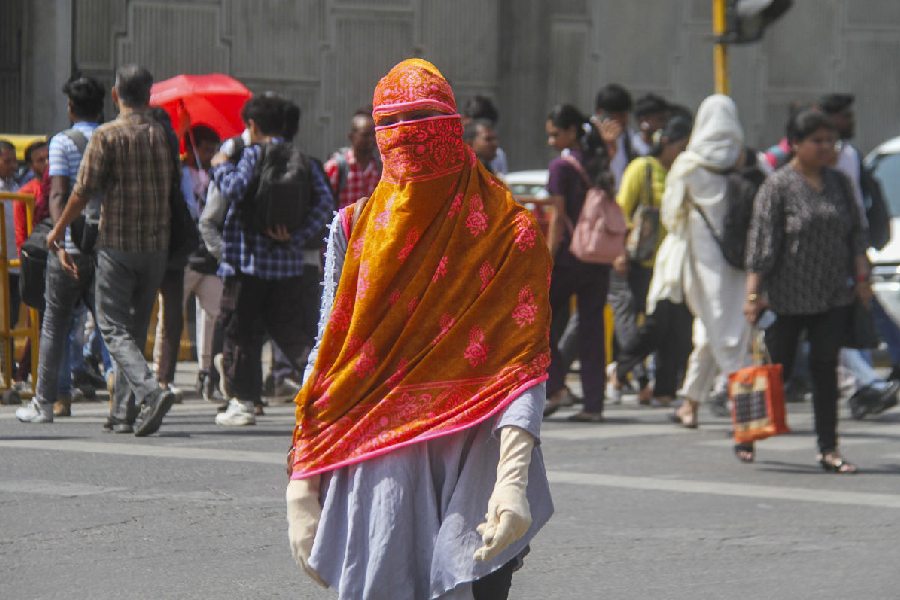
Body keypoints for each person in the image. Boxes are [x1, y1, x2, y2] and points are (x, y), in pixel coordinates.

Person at [285, 58, 553, 599]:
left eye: (422, 126)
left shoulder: (507, 233)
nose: (408, 146)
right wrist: (302, 476)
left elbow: (522, 366)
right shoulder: (354, 229)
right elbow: (330, 348)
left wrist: (511, 481)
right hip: (379, 456)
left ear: (453, 131)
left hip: (476, 451)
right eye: (393, 130)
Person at [46, 65, 177, 436]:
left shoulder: (107, 135)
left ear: (117, 95)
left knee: (111, 327)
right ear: (148, 95)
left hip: (117, 245)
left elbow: (82, 190)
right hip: (156, 245)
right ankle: (123, 413)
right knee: (133, 331)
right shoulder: (162, 135)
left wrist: (57, 230)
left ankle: (150, 392)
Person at [745, 109, 869, 472]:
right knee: (776, 372)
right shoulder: (778, 186)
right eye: (817, 141)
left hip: (833, 294)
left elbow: (856, 235)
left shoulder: (840, 183)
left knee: (825, 369)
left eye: (830, 141)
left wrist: (863, 280)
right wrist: (753, 295)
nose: (826, 147)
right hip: (787, 296)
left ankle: (828, 448)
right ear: (796, 144)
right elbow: (762, 244)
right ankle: (748, 434)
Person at [210, 94, 333, 426]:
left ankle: (243, 402)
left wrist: (220, 166)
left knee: (240, 331)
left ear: (252, 125)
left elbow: (235, 190)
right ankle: (324, 391)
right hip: (288, 264)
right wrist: (294, 236)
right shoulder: (303, 160)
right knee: (292, 333)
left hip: (246, 262)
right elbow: (325, 205)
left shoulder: (252, 154)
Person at [647, 95, 750, 430]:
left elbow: (672, 216)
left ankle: (746, 410)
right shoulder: (744, 160)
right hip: (738, 263)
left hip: (703, 265)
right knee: (718, 331)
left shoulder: (689, 165)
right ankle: (690, 405)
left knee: (720, 333)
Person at [16, 75, 107, 423]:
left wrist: (59, 238)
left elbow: (58, 192)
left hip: (69, 242)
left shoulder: (61, 143)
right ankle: (121, 399)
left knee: (55, 323)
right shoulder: (108, 136)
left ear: (70, 108)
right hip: (104, 244)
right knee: (109, 324)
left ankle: (50, 401)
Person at [608, 115, 693, 406]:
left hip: (671, 263)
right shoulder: (642, 168)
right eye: (682, 146)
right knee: (654, 325)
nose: (684, 153)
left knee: (677, 328)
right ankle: (621, 369)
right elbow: (620, 212)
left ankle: (664, 390)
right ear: (667, 143)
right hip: (640, 263)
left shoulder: (682, 172)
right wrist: (619, 252)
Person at [542, 104, 613, 422]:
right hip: (598, 257)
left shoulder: (561, 167)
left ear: (571, 132)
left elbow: (558, 218)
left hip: (569, 258)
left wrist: (547, 257)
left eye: (555, 134)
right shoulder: (599, 160)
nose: (551, 141)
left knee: (538, 321)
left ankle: (556, 386)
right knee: (592, 330)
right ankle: (593, 405)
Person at [179, 125, 222, 402]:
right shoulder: (181, 173)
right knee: (170, 319)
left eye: (213, 150)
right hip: (185, 257)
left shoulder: (216, 175)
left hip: (208, 260)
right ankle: (162, 376)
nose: (209, 155)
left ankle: (206, 373)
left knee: (213, 316)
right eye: (205, 149)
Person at [324, 109, 381, 210]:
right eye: (365, 135)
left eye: (374, 134)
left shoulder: (379, 167)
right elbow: (323, 203)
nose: (371, 139)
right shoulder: (336, 167)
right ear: (351, 137)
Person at [592, 84, 646, 189]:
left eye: (626, 115)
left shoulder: (628, 136)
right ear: (601, 113)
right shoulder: (588, 135)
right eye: (620, 115)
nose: (625, 120)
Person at [14, 140, 49, 252]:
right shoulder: (25, 193)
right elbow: (20, 232)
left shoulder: (64, 186)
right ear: (31, 166)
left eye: (49, 157)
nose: (48, 162)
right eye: (40, 160)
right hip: (37, 251)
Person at [462, 95, 509, 175]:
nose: (494, 144)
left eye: (494, 138)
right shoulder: (459, 170)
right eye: (488, 139)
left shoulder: (497, 157)